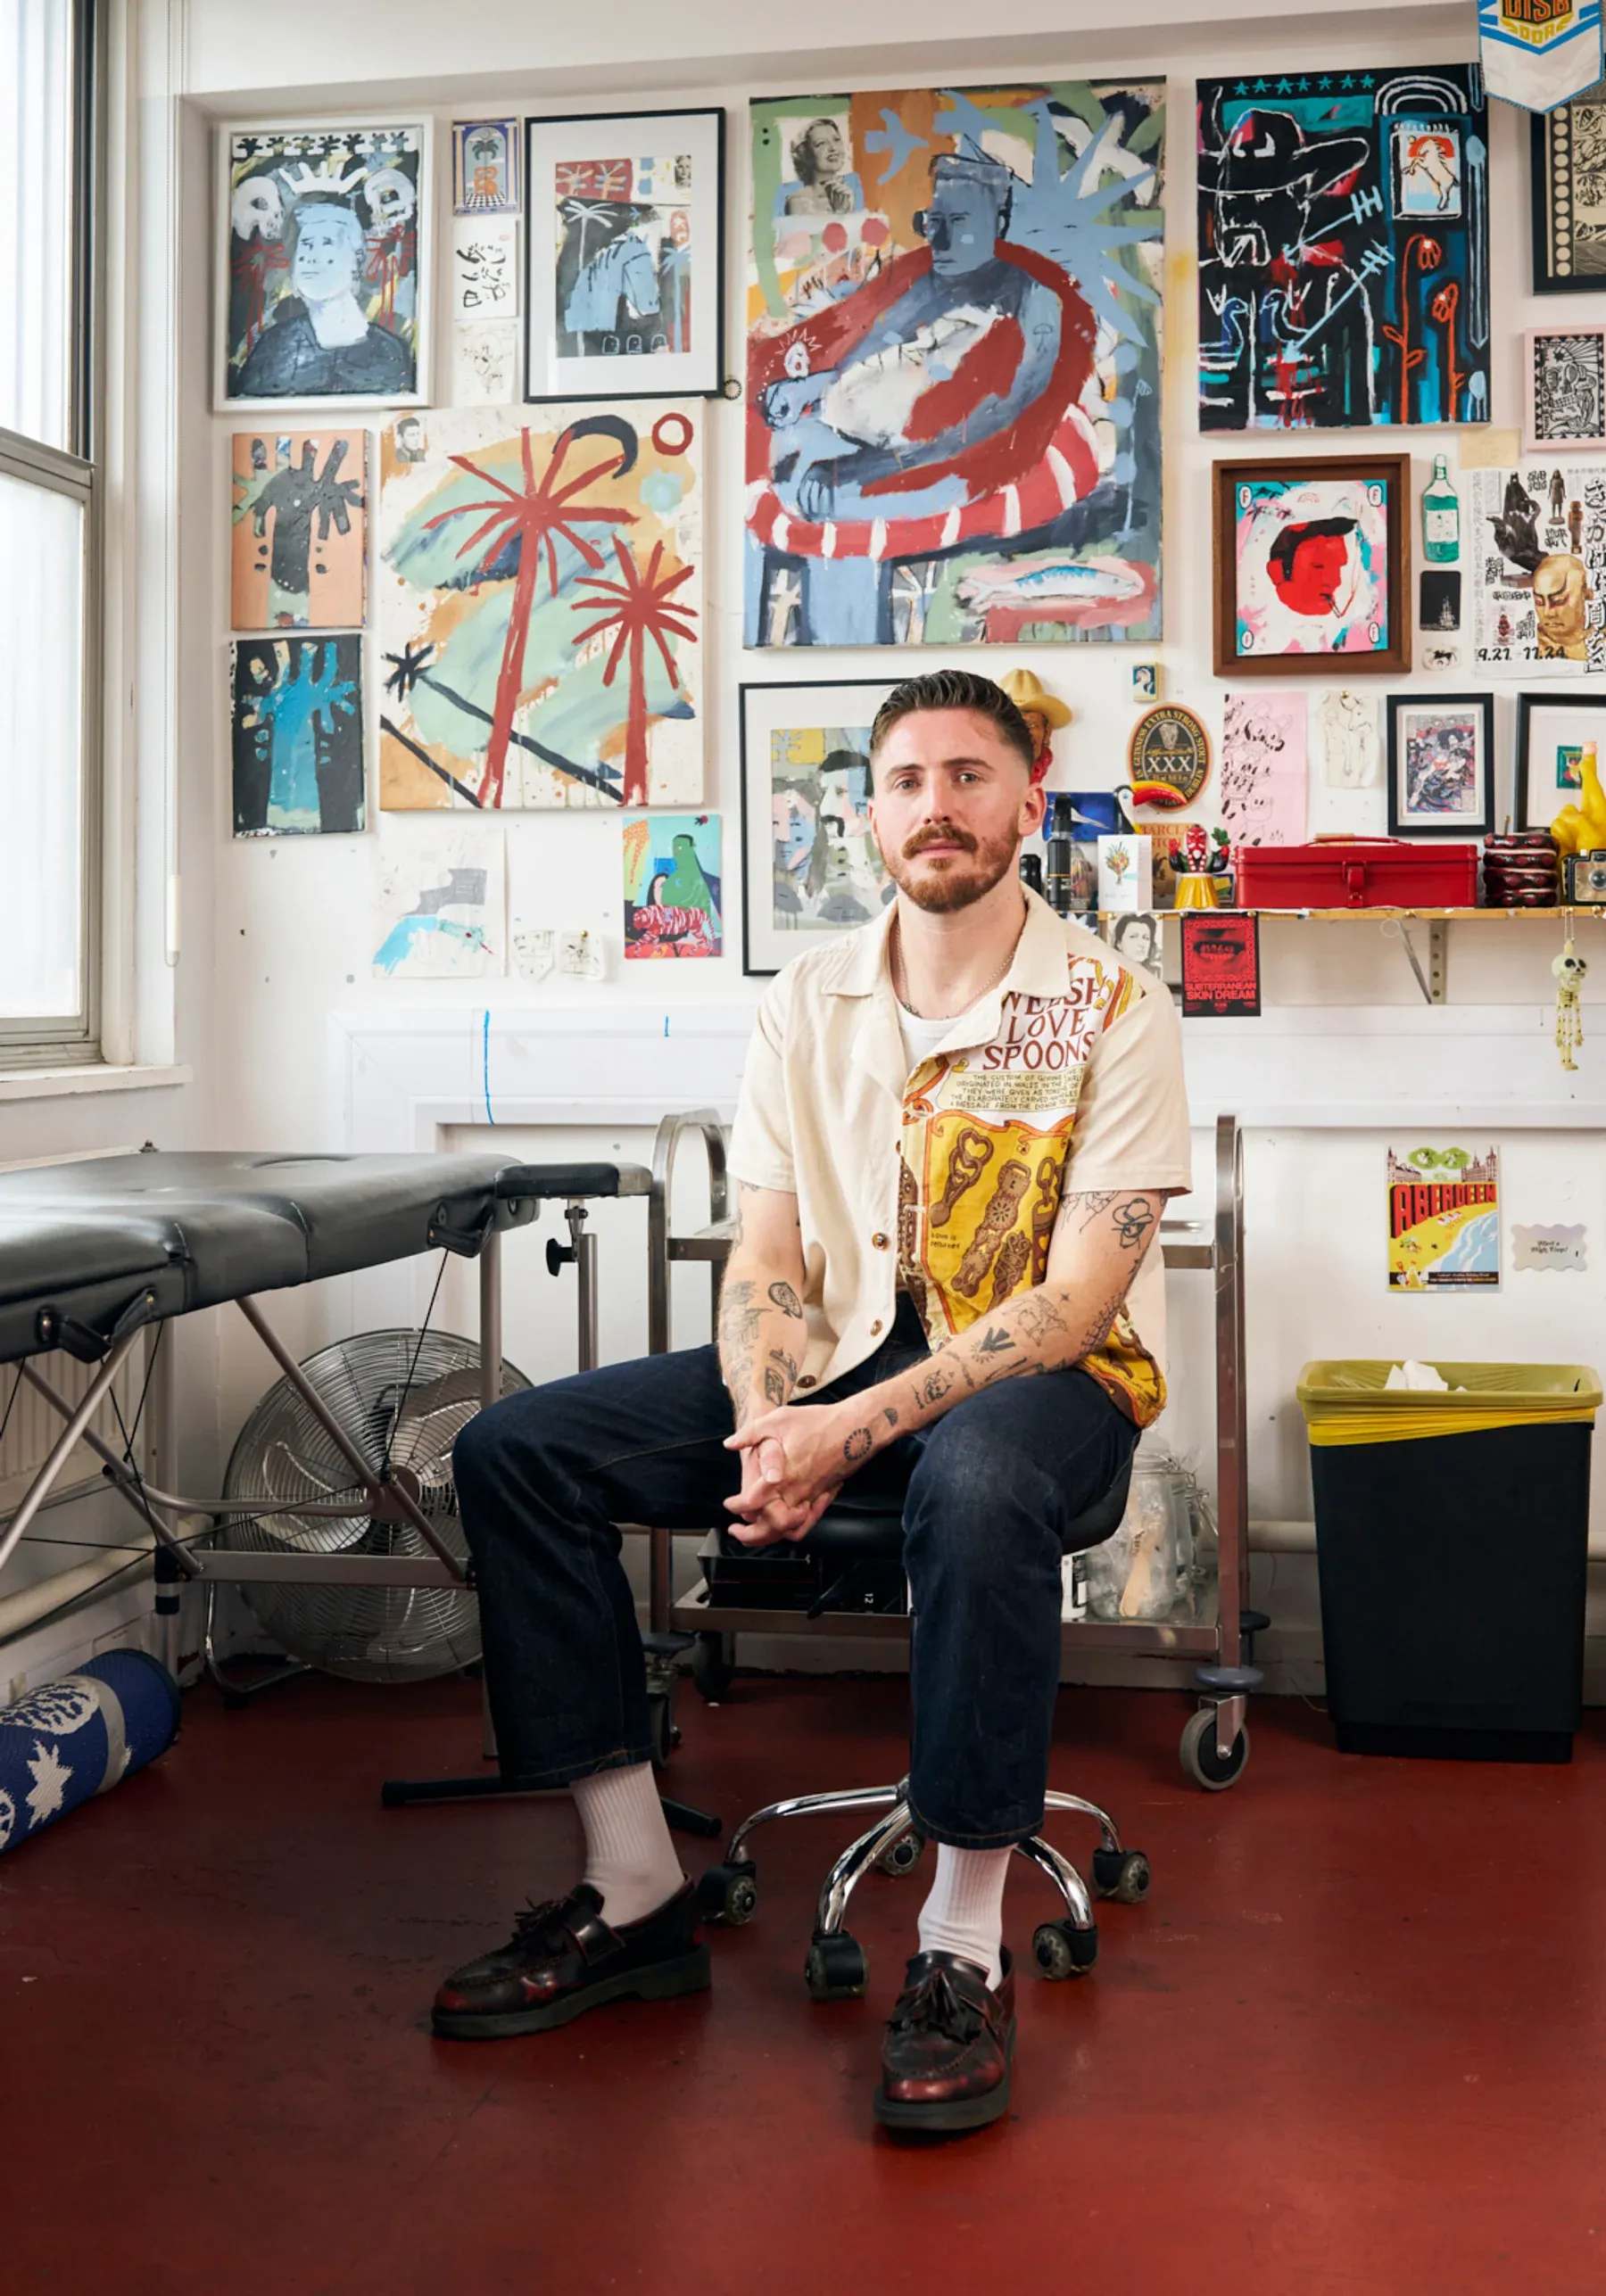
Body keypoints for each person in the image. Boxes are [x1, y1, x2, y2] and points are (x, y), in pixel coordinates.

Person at [433, 669, 1191, 2137]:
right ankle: (634, 1885)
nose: (936, 806)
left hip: (1049, 1387)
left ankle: (961, 1948)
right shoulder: (806, 1000)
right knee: (515, 1448)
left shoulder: (1111, 1002)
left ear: (1027, 801)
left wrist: (846, 1433)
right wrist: (767, 1422)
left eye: (969, 775)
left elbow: (1075, 1300)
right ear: (869, 813)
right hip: (839, 1356)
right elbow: (769, 1253)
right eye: (906, 780)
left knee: (975, 1478)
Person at [236, 197, 413, 399]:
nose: (312, 257)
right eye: (306, 244)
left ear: (355, 262)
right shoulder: (273, 346)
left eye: (328, 243)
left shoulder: (389, 351)